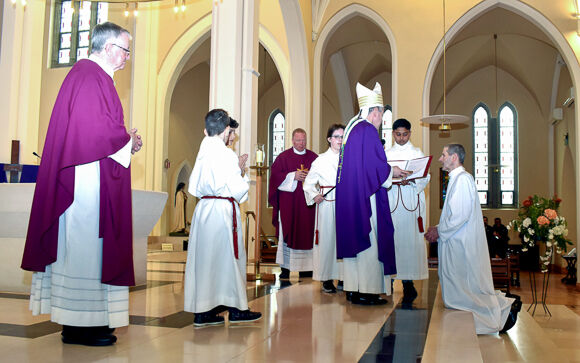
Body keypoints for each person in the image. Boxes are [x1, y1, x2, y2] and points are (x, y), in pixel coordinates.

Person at [20, 22, 142, 346]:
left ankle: (89, 322)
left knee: (90, 250)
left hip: (92, 174)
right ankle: (78, 327)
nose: (127, 57)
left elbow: (99, 129)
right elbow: (92, 131)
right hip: (85, 180)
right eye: (125, 50)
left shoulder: (95, 76)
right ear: (108, 48)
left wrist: (125, 141)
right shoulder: (89, 75)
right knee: (84, 250)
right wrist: (126, 139)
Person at [424, 144, 521, 334]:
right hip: (455, 242)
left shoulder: (462, 180)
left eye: (444, 155)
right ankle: (482, 318)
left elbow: (460, 216)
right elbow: (453, 214)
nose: (440, 159)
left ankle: (498, 316)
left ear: (454, 157)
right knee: (461, 291)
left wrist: (438, 231)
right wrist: (438, 227)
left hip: (461, 246)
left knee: (466, 291)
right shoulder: (457, 179)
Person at [183, 109, 261, 327]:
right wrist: (241, 172)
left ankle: (203, 312)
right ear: (226, 130)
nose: (233, 137)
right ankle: (237, 309)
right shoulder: (226, 154)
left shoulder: (204, 149)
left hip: (204, 209)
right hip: (223, 211)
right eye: (232, 132)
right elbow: (237, 190)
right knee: (230, 260)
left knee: (207, 261)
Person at [335, 82, 410, 305]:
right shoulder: (367, 130)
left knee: (357, 243)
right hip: (366, 198)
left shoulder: (352, 129)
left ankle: (354, 289)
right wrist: (392, 170)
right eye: (380, 113)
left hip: (352, 196)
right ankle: (366, 291)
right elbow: (374, 166)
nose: (381, 118)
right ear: (374, 112)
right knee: (369, 243)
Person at [385, 118, 430, 303]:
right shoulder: (386, 154)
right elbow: (380, 175)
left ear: (410, 133)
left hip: (411, 200)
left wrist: (412, 179)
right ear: (393, 133)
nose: (401, 138)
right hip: (392, 199)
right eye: (398, 134)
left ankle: (408, 282)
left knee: (409, 243)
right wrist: (392, 178)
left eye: (405, 134)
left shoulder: (417, 153)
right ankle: (388, 280)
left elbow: (425, 177)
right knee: (391, 242)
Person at [268, 128, 318, 279]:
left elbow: (321, 178)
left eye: (303, 140)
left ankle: (307, 268)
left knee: (308, 233)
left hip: (308, 206)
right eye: (298, 140)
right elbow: (275, 179)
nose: (301, 143)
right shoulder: (283, 158)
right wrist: (293, 176)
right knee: (287, 232)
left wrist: (310, 178)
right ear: (292, 140)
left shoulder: (314, 157)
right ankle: (286, 269)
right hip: (289, 206)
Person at [303, 124, 345, 293]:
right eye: (337, 137)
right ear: (329, 139)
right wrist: (314, 195)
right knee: (328, 241)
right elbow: (308, 184)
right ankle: (326, 278)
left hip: (345, 204)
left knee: (344, 240)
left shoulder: (349, 157)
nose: (340, 141)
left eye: (343, 137)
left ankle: (344, 277)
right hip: (327, 204)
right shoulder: (320, 160)